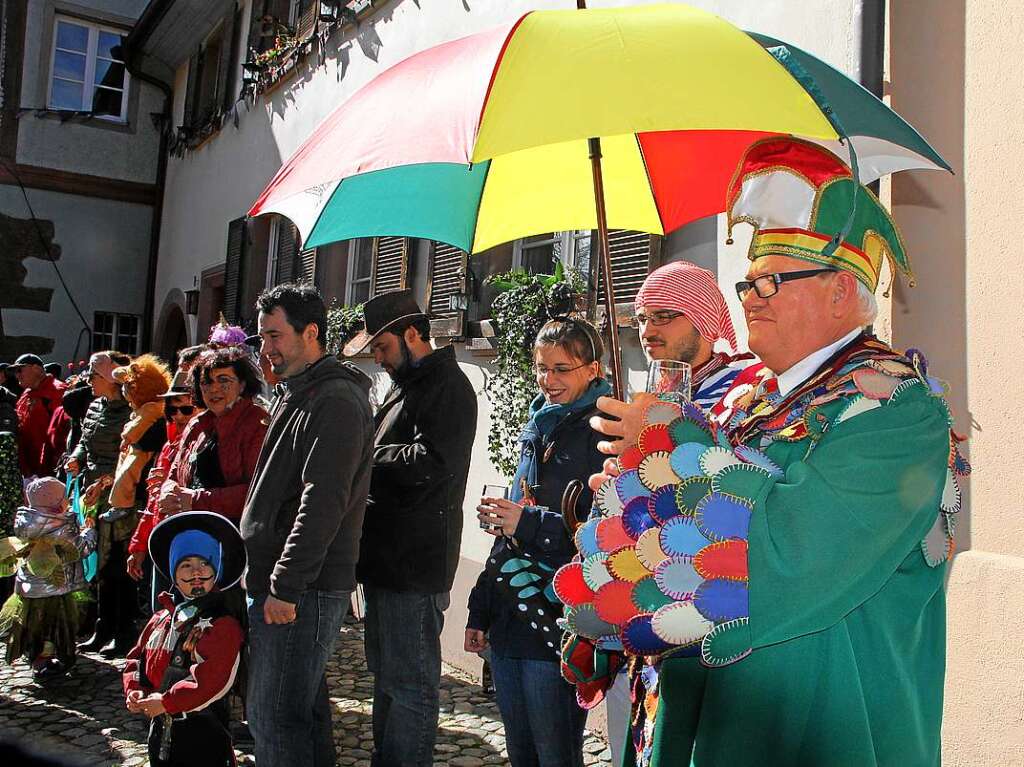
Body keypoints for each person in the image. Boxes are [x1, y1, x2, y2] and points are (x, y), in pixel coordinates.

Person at [562, 138, 966, 766]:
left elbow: (784, 548)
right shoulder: (759, 401)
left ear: (840, 291)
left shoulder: (898, 410)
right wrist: (634, 501)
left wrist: (673, 449)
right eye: (748, 281)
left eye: (771, 281)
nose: (748, 297)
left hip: (827, 734)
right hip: (723, 718)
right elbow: (690, 547)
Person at [466, 318, 609, 767]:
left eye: (561, 369)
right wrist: (481, 608)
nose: (548, 381)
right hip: (510, 615)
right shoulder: (537, 425)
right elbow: (506, 531)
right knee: (521, 751)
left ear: (592, 369)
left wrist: (528, 523)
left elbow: (604, 534)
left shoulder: (605, 432)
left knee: (555, 753)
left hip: (559, 620)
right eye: (541, 368)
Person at [344, 289, 477, 767]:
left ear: (412, 334)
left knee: (410, 683)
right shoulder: (407, 384)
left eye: (381, 347)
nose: (377, 359)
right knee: (387, 676)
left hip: (415, 563)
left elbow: (433, 462)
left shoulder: (448, 386)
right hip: (387, 559)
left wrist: (365, 457)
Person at [242, 283, 374, 767]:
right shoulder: (297, 391)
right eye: (262, 337)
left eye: (275, 336)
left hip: (303, 588)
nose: (266, 349)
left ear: (311, 332)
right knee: (301, 716)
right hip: (286, 583)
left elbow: (324, 502)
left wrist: (285, 585)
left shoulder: (335, 400)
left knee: (275, 721)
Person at [123, 511, 246, 767]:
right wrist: (136, 690)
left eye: (204, 564)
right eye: (186, 565)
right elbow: (137, 658)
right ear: (173, 572)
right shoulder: (160, 619)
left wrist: (168, 702)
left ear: (217, 569)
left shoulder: (221, 625)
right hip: (161, 725)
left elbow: (214, 677)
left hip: (203, 729)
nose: (196, 573)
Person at [67, 351, 132, 652]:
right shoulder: (95, 406)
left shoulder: (133, 410)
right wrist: (76, 459)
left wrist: (105, 482)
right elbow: (84, 440)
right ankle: (101, 627)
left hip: (119, 497)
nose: (88, 380)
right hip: (92, 495)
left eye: (94, 375)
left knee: (118, 564)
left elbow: (132, 458)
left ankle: (122, 631)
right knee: (96, 564)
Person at [0, 476, 96, 679]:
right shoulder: (61, 527)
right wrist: (90, 532)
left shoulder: (27, 522)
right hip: (56, 586)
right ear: (56, 503)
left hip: (30, 587)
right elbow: (79, 549)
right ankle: (47, 660)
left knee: (35, 623)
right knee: (55, 624)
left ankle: (33, 655)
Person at [158, 346, 266, 523]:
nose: (214, 389)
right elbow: (174, 475)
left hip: (235, 534)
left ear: (242, 384)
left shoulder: (258, 423)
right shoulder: (196, 424)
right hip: (191, 529)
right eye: (206, 382)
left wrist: (196, 500)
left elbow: (259, 492)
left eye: (224, 380)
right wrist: (168, 492)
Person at [128, 369, 202, 606]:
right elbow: (153, 503)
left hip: (191, 547)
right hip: (164, 542)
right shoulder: (169, 447)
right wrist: (139, 546)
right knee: (160, 614)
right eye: (172, 409)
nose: (178, 416)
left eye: (186, 409)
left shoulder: (204, 442)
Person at [10, 354, 66, 477]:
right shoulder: (27, 393)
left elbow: (63, 431)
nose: (17, 374)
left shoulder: (57, 391)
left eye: (20, 369)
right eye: (15, 371)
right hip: (27, 466)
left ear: (37, 368)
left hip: (47, 468)